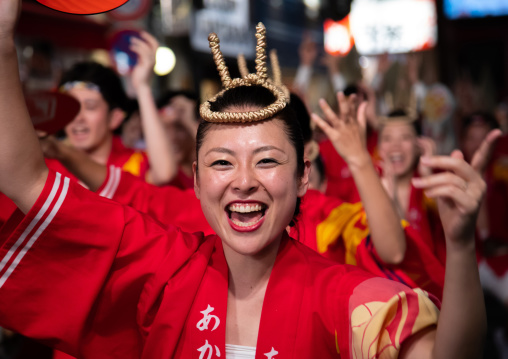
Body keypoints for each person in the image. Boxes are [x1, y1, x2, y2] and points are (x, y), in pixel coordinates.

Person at [0, 7, 494, 357]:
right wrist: (3, 44)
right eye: (221, 163)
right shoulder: (163, 266)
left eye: (265, 161)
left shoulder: (341, 296)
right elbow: (26, 179)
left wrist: (459, 242)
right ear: (193, 181)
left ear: (303, 176)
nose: (242, 182)